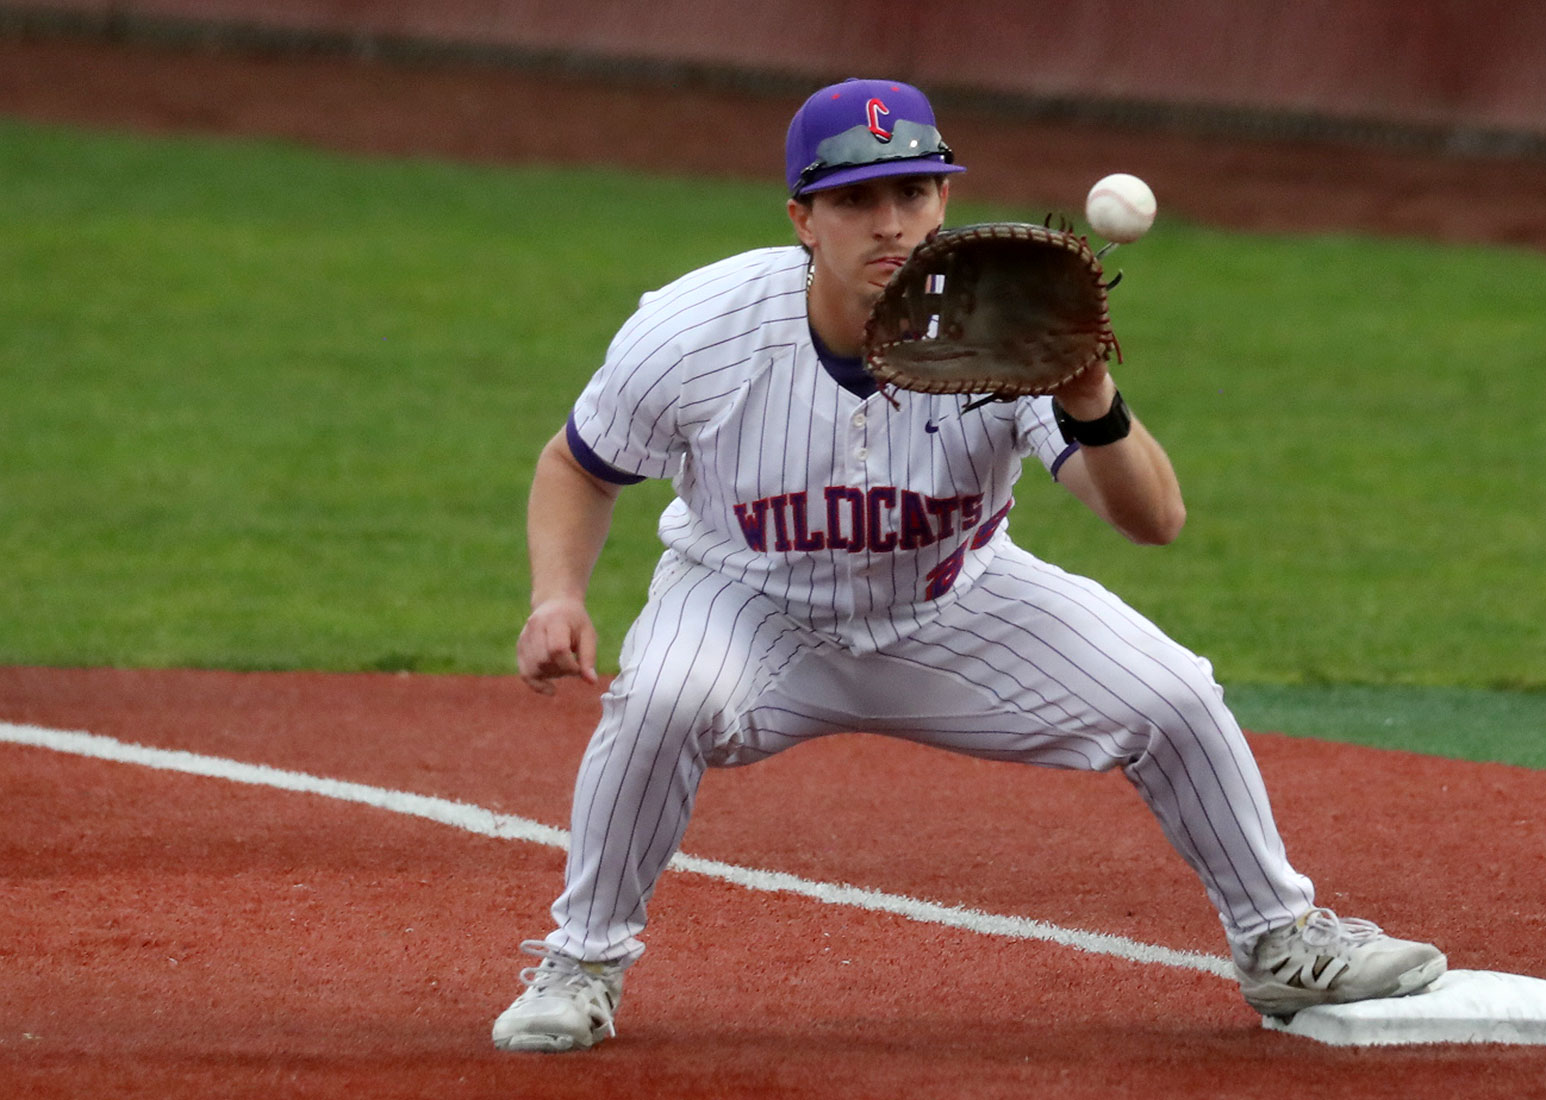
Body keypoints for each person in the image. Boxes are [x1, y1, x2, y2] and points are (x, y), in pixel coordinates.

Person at [490, 77, 1444, 1053]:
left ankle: (1278, 938)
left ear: (945, 201)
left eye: (911, 192)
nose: (888, 222)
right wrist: (555, 595)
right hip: (747, 602)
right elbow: (578, 462)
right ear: (802, 219)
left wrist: (1087, 392)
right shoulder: (697, 331)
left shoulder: (1006, 326)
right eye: (855, 199)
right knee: (661, 699)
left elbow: (1153, 518)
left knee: (1175, 694)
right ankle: (582, 960)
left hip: (955, 600)